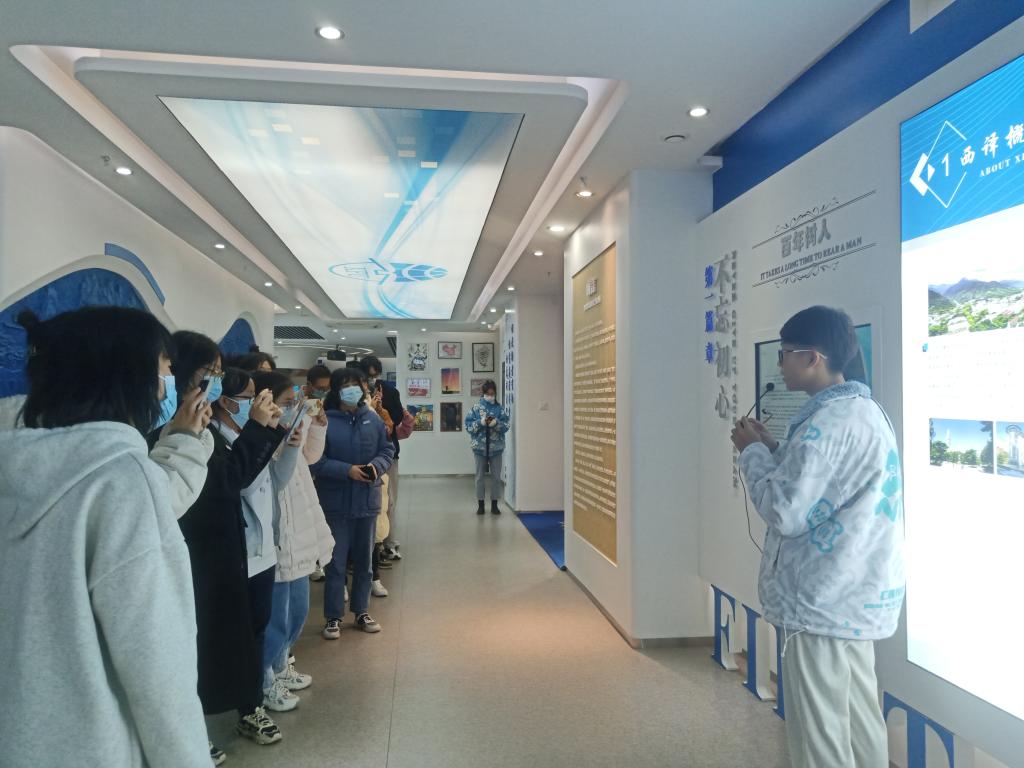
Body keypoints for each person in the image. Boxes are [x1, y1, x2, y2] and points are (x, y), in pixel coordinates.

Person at [0, 307, 211, 767]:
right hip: (89, 745)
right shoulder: (121, 479)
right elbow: (157, 662)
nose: (168, 385)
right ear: (126, 374)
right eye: (164, 368)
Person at [730, 306, 904, 768]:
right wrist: (773, 447)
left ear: (813, 357)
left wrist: (751, 454)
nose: (780, 364)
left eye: (785, 353)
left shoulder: (830, 423)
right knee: (860, 719)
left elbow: (785, 510)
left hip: (819, 602)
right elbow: (824, 485)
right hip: (852, 598)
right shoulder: (863, 412)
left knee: (819, 732)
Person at [171, 332, 289, 759]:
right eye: (210, 373)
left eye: (220, 373)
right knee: (194, 646)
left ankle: (247, 706)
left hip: (232, 552)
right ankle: (191, 731)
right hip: (195, 556)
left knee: (243, 634)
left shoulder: (203, 431)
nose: (216, 382)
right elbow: (226, 482)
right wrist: (258, 429)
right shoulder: (171, 431)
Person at [250, 370, 335, 712]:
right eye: (287, 402)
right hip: (280, 538)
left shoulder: (289, 430)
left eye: (293, 401)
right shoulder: (261, 438)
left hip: (301, 532)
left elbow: (310, 458)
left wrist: (316, 427)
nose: (292, 407)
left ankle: (282, 664)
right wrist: (286, 442)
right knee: (276, 617)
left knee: (297, 611)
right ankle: (265, 680)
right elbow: (276, 482)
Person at [312, 367, 394, 638]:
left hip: (366, 500)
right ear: (336, 390)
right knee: (335, 563)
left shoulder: (372, 418)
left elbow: (387, 449)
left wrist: (376, 467)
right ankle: (333, 616)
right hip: (335, 503)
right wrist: (346, 470)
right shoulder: (323, 421)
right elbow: (315, 460)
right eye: (346, 385)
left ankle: (361, 611)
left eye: (357, 385)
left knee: (364, 562)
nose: (352, 390)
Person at [359, 356, 408, 560]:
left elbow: (397, 419)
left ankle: (389, 543)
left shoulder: (389, 390)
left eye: (375, 375)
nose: (372, 379)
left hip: (388, 453)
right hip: (362, 455)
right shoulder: (355, 392)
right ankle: (369, 545)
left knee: (389, 500)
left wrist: (380, 409)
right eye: (368, 376)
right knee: (366, 502)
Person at [465, 380, 510, 515]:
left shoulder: (499, 409)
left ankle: (495, 505)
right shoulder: (476, 408)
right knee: (479, 477)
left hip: (496, 449)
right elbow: (468, 427)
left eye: (492, 393)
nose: (490, 396)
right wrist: (480, 422)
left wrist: (496, 423)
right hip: (479, 449)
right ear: (483, 393)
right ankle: (481, 505)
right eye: (488, 393)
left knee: (496, 477)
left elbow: (506, 426)